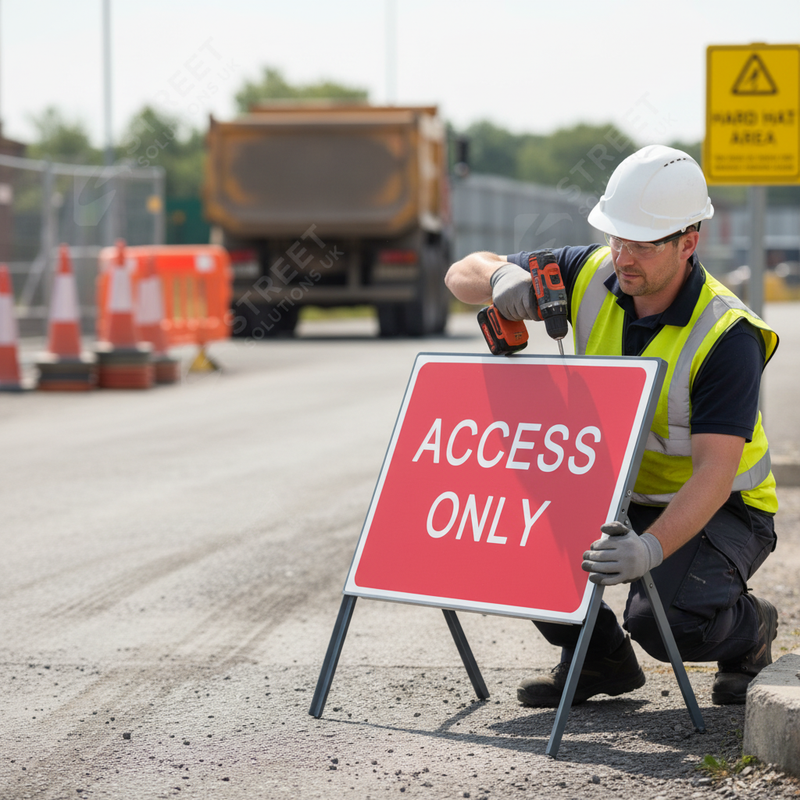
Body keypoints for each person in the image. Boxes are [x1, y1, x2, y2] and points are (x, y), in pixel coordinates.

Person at [444, 144, 779, 707]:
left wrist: (649, 549)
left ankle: (752, 629)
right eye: (616, 238)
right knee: (514, 538)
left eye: (643, 245)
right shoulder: (588, 271)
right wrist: (499, 275)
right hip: (619, 490)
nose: (623, 257)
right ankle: (599, 659)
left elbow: (715, 474)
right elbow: (460, 273)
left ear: (688, 243)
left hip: (724, 508)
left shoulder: (727, 335)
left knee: (665, 623)